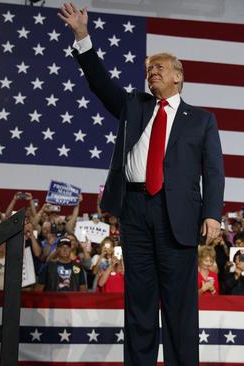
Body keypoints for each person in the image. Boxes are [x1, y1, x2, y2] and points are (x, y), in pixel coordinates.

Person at [59, 4, 225, 365]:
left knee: (180, 306)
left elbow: (213, 170)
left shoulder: (201, 120)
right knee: (140, 303)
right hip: (135, 210)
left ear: (178, 76)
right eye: (149, 68)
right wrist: (82, 37)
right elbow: (100, 83)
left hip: (177, 216)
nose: (151, 72)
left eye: (159, 68)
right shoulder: (134, 105)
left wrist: (213, 214)